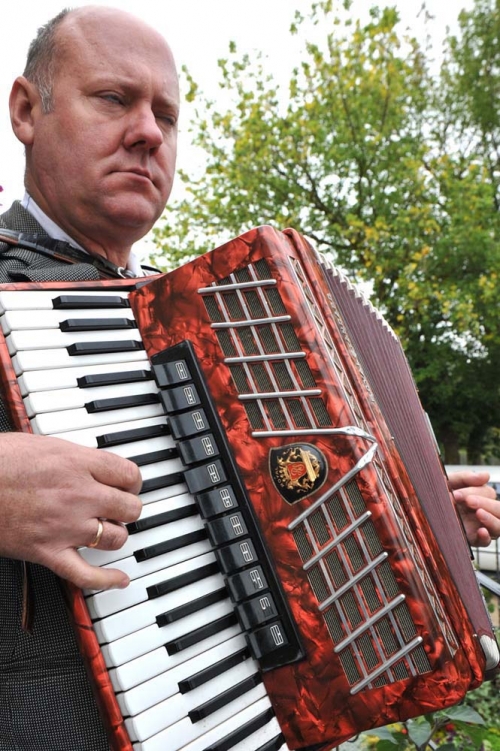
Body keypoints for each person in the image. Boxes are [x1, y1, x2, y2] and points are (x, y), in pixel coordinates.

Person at [0, 6, 498, 751]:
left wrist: (408, 526)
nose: (148, 132)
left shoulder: (201, 319)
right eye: (113, 98)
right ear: (26, 110)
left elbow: (269, 530)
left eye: (166, 114)